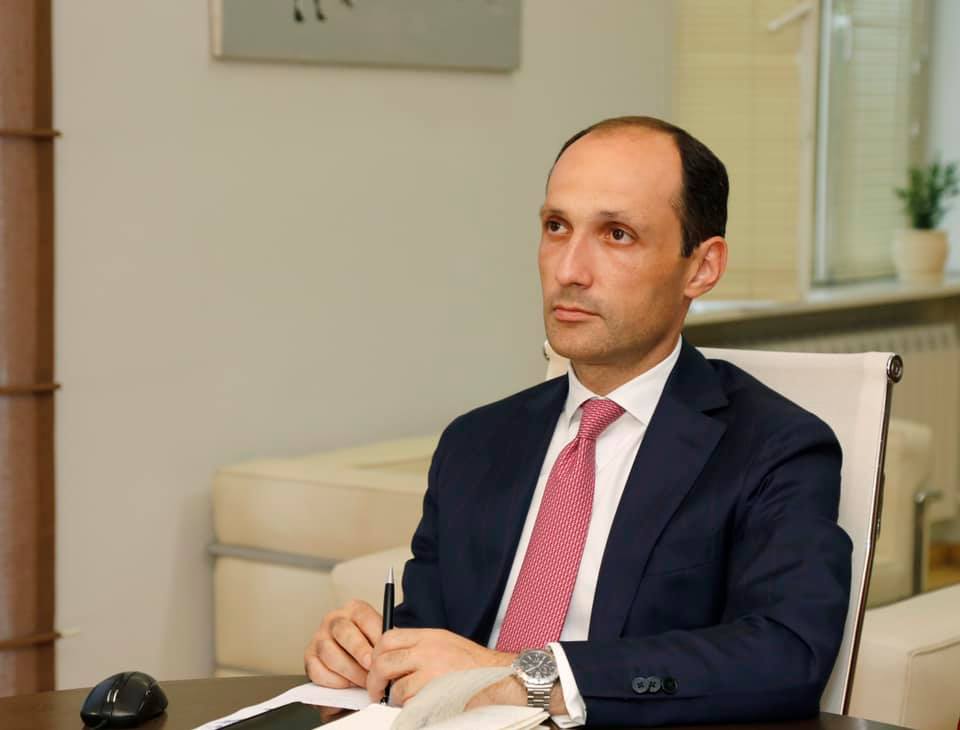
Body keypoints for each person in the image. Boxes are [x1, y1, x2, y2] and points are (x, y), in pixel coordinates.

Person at [304, 116, 852, 727]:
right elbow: (434, 638)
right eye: (556, 227)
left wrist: (527, 681)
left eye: (617, 234)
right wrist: (366, 653)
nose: (569, 270)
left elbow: (785, 655)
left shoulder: (774, 447)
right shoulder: (475, 442)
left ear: (701, 267)